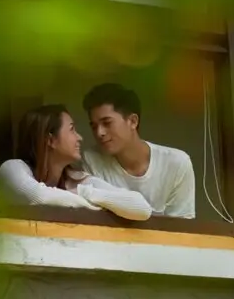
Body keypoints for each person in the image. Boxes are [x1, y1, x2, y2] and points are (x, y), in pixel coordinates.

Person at [0, 104, 153, 220]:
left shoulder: (78, 180)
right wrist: (99, 205)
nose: (80, 137)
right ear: (50, 140)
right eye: (72, 130)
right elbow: (39, 198)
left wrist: (84, 192)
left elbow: (142, 208)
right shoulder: (12, 169)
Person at [82, 83, 196, 218]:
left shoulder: (176, 163)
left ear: (133, 121)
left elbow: (183, 228)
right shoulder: (92, 160)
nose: (99, 132)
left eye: (107, 123)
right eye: (94, 126)